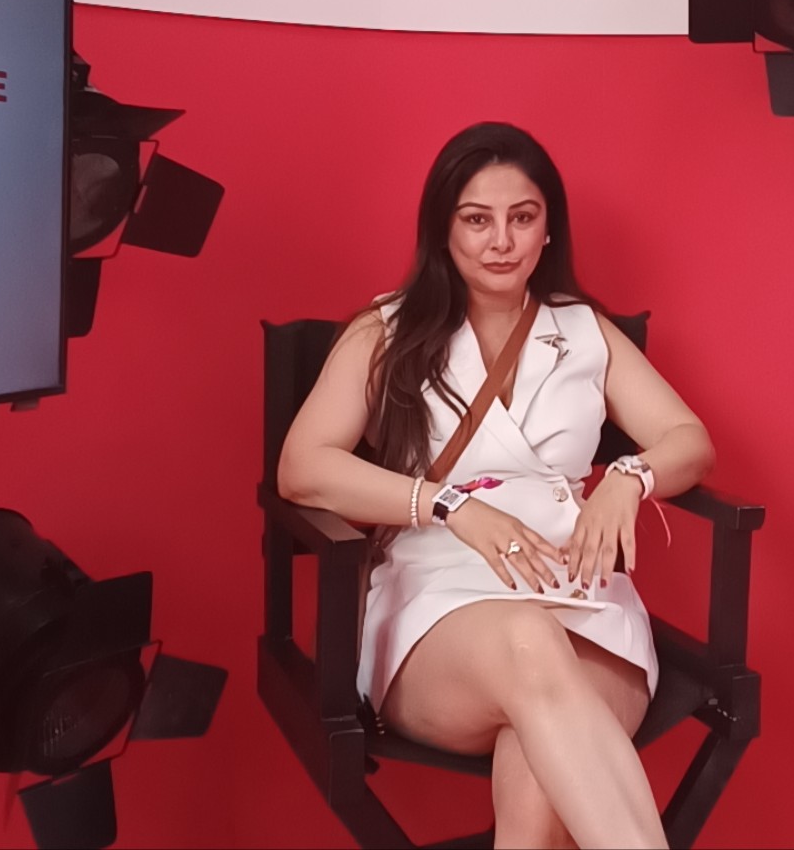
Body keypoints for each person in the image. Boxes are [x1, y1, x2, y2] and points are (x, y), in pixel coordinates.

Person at [277, 122, 714, 850]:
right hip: (438, 602)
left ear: (549, 228)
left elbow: (689, 441)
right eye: (477, 220)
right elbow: (302, 466)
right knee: (529, 641)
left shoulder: (584, 331)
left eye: (523, 217)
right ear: (443, 229)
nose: (501, 241)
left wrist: (628, 478)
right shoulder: (386, 330)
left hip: (581, 595)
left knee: (540, 777)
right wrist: (448, 504)